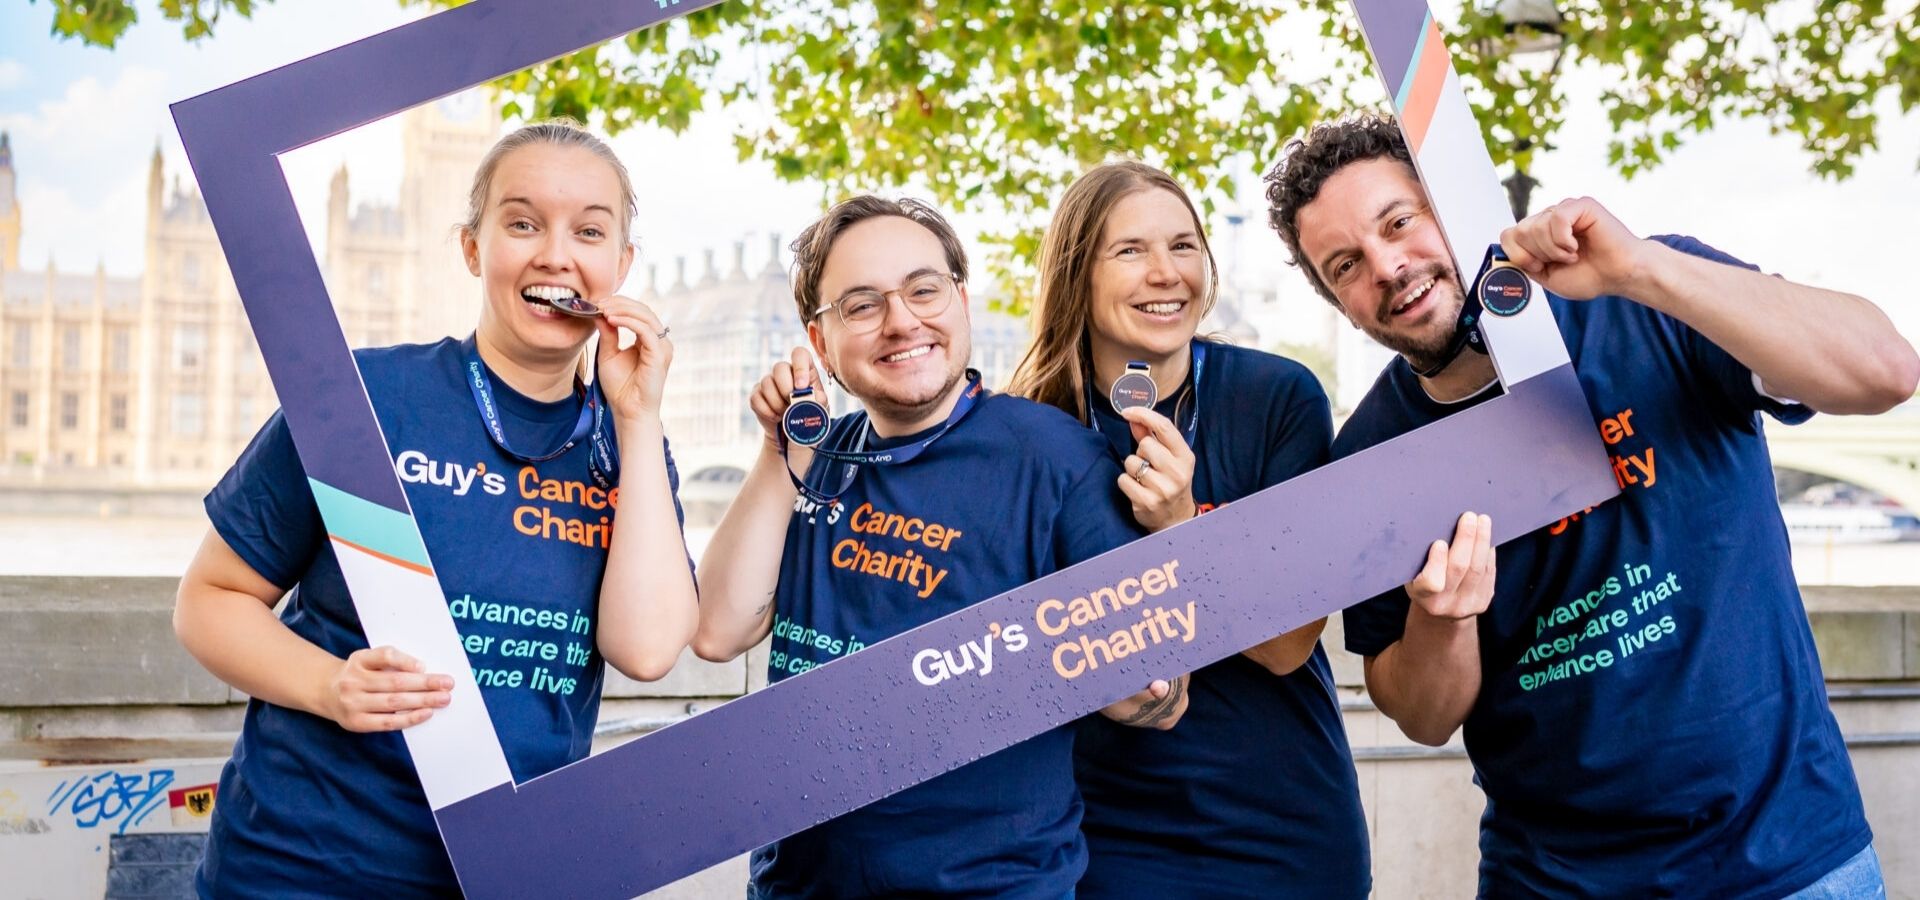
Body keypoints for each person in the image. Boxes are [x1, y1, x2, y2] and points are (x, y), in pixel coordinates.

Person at [1263, 112, 1919, 896]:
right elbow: (1423, 717)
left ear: (1456, 205)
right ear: (1339, 301)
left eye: (1400, 221)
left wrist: (1642, 269)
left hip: (1791, 861)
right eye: (1345, 264)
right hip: (1556, 882)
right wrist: (1442, 619)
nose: (1388, 266)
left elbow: (1886, 372)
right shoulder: (1371, 455)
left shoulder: (1647, 299)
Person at [173, 120, 699, 897]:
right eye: (522, 223)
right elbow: (208, 602)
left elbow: (650, 651)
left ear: (620, 266)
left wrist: (639, 415)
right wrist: (330, 686)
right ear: (471, 248)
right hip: (297, 870)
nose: (556, 252)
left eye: (589, 231)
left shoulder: (630, 448)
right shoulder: (361, 400)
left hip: (503, 875)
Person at [693, 195, 1188, 899]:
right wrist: (780, 451)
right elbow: (718, 631)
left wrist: (1125, 667)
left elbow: (1163, 702)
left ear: (960, 299)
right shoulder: (815, 457)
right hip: (798, 886)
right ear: (820, 340)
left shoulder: (1055, 460)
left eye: (924, 290)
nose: (902, 321)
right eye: (861, 306)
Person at [1005, 160, 1369, 899]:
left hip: (1285, 829)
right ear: (1077, 272)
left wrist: (1180, 527)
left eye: (1183, 246)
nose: (1166, 273)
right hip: (1103, 838)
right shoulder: (1027, 434)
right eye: (1130, 251)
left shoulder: (1277, 397)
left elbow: (1287, 645)